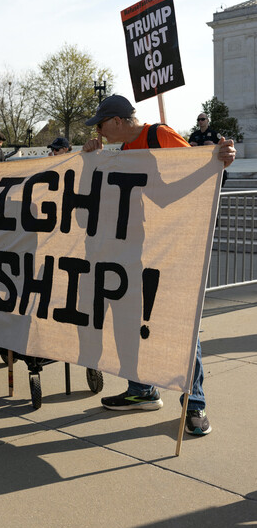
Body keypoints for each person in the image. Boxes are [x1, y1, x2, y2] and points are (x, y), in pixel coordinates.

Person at [83, 94, 236, 436]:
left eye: (101, 124)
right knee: (127, 321)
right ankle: (141, 389)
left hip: (172, 249)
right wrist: (89, 161)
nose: (99, 131)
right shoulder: (117, 152)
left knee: (183, 327)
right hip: (134, 250)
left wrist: (222, 161)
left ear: (119, 121)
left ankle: (194, 404)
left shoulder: (160, 136)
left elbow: (206, 171)